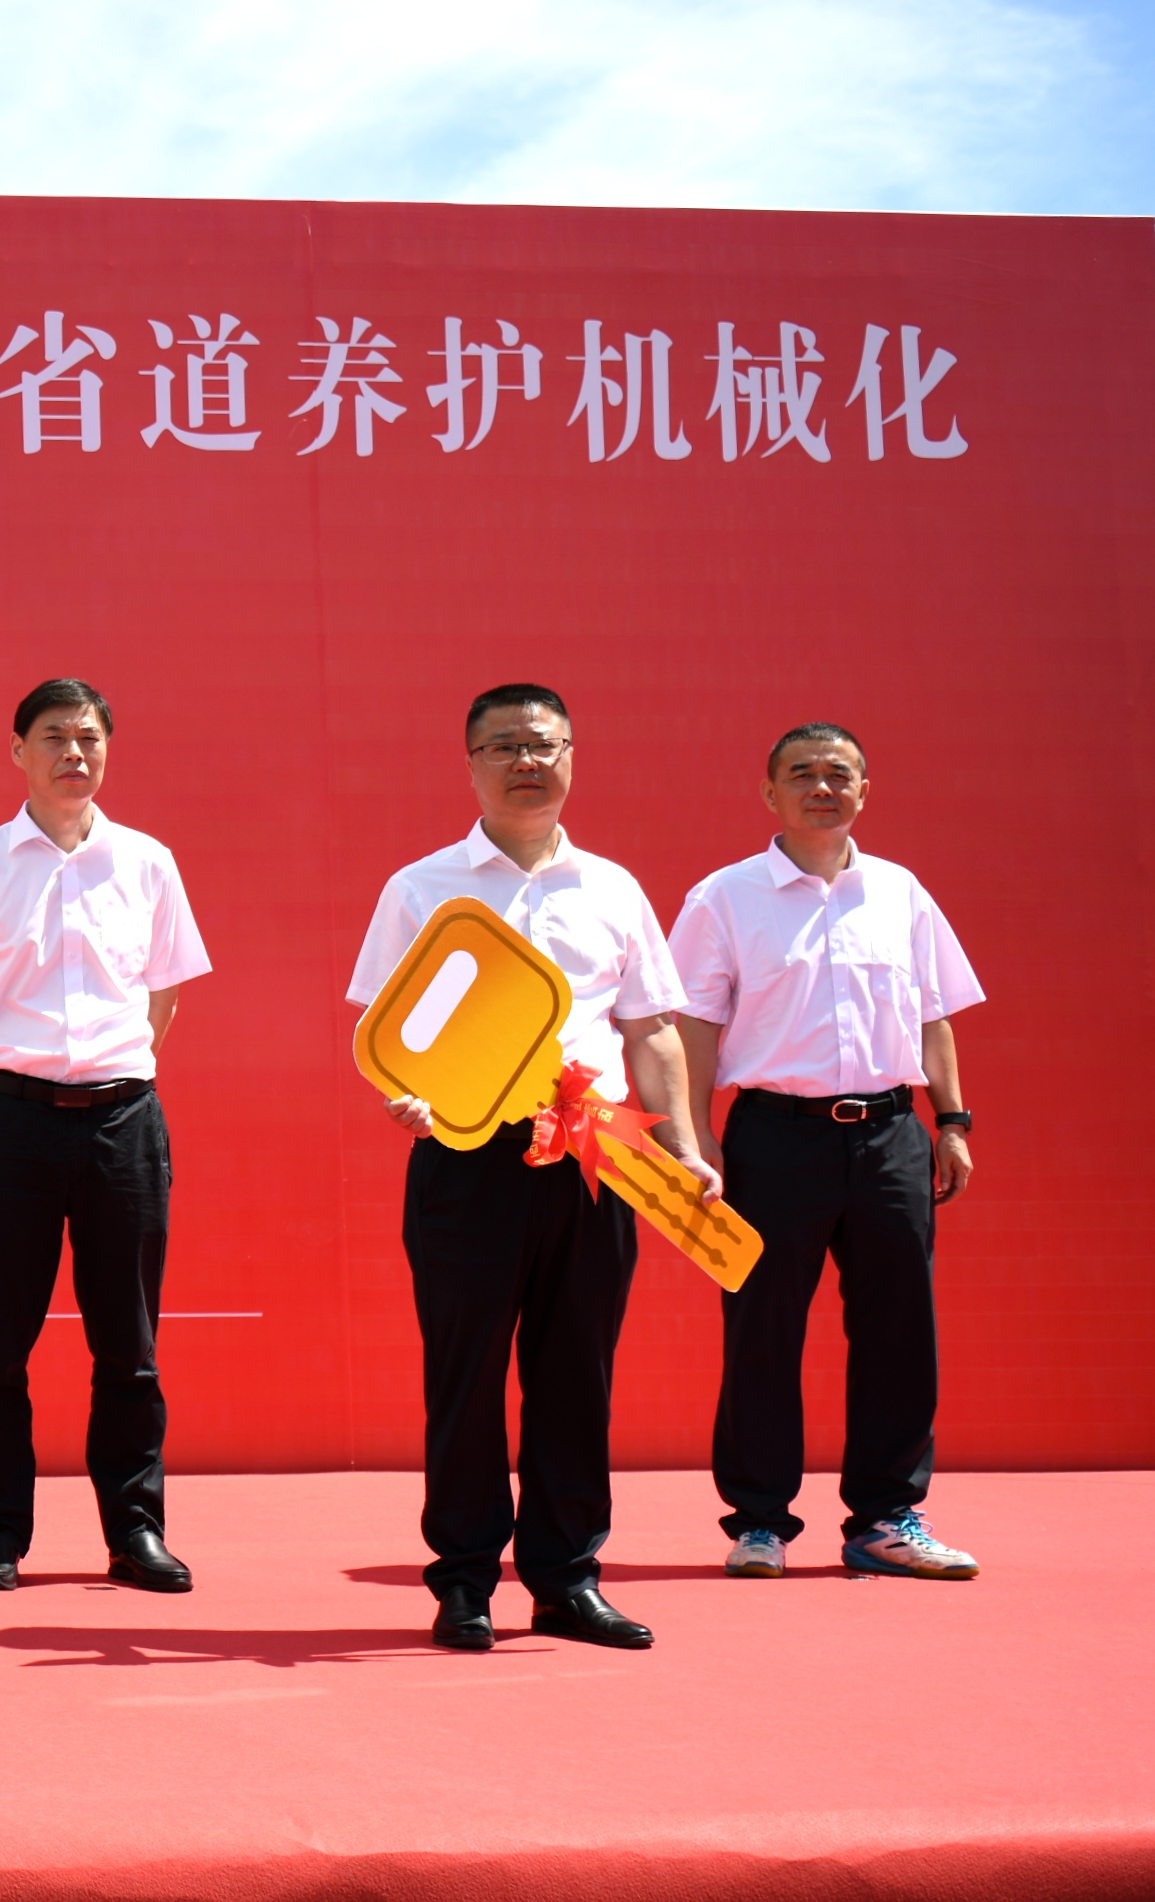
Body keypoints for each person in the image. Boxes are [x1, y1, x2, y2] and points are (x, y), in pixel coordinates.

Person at [348, 683, 713, 1653]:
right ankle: (463, 1581)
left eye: (543, 744)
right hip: (468, 1156)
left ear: (570, 757)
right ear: (469, 763)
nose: (525, 762)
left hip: (594, 1155)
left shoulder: (612, 889)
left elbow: (650, 1030)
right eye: (503, 745)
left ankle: (566, 1581)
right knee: (463, 1375)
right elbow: (388, 1032)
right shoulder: (421, 888)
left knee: (575, 1372)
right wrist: (408, 1099)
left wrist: (681, 1145)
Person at [670, 723, 984, 1580]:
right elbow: (691, 1026)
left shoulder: (899, 892)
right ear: (768, 793)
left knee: (898, 1329)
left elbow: (931, 1013)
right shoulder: (724, 898)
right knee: (762, 1327)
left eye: (838, 773)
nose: (821, 787)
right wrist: (695, 1138)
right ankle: (759, 1522)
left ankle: (885, 1517)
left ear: (863, 791)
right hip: (774, 1136)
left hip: (890, 1135)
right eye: (801, 773)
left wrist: (951, 1121)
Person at [0, 678, 212, 1595]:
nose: (73, 753)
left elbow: (162, 993)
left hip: (122, 1121)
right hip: (8, 1120)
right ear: (17, 751)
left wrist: (107, 1073)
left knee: (127, 1345)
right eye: (53, 736)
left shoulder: (147, 862)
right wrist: (22, 1077)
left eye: (88, 737)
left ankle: (135, 1532)